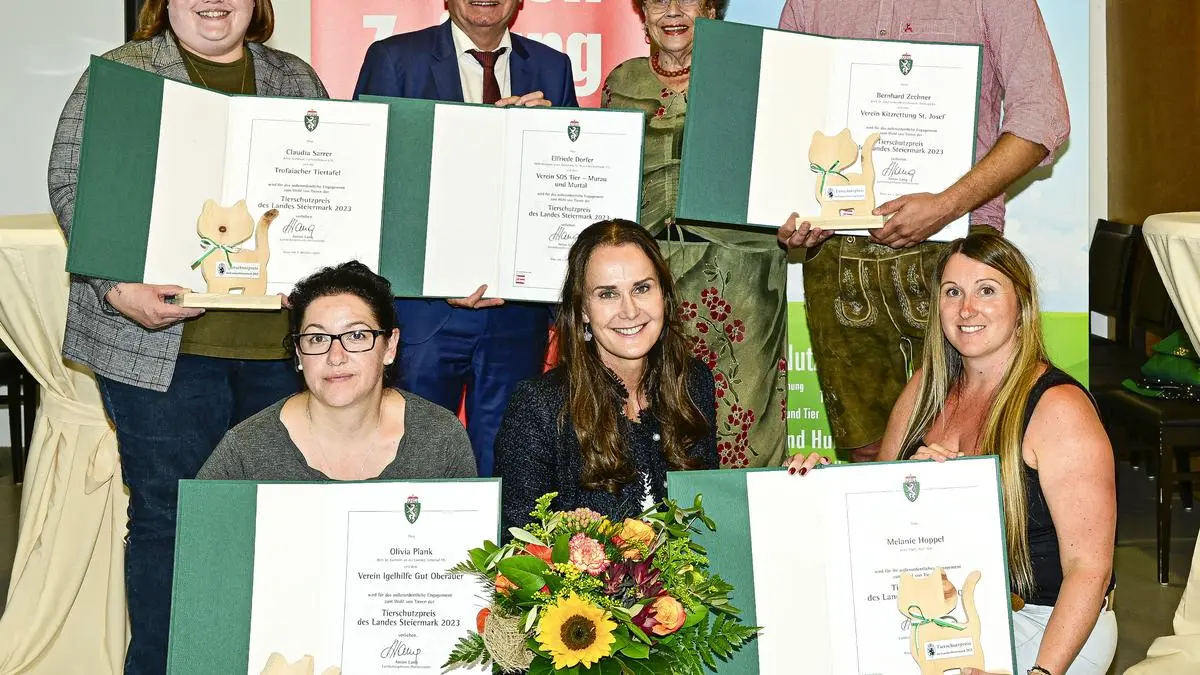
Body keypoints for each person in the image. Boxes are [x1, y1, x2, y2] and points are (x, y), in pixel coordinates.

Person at [46, 1, 326, 671]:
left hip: (276, 354)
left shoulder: (296, 80)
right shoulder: (122, 74)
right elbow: (72, 183)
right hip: (160, 353)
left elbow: (328, 193)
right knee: (169, 520)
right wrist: (117, 287)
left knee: (272, 524)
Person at [790, 233, 1117, 675]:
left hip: (1045, 623)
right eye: (952, 292)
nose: (967, 309)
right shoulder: (925, 388)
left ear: (1021, 305)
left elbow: (1089, 569)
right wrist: (822, 486)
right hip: (948, 612)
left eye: (987, 290)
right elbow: (878, 522)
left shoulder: (1059, 409)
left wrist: (1040, 674)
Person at [775, 0, 1070, 464]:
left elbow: (1043, 117)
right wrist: (792, 208)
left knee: (970, 445)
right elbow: (785, 116)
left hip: (957, 249)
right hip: (838, 254)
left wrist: (947, 204)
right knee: (868, 453)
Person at [352, 0, 579, 478]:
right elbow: (369, 178)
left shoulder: (552, 67)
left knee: (511, 465)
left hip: (516, 315)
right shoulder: (395, 60)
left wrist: (545, 136)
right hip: (424, 313)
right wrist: (433, 274)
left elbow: (566, 186)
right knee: (410, 458)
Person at [600, 0, 788, 470]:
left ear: (712, 8)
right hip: (650, 282)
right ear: (643, 13)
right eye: (658, 0)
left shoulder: (753, 75)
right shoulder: (622, 82)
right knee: (660, 417)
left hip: (741, 279)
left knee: (743, 422)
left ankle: (741, 517)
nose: (672, 11)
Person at [493, 220, 718, 534]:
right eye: (608, 294)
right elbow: (520, 541)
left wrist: (788, 482)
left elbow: (710, 518)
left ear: (663, 295)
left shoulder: (693, 382)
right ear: (583, 309)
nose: (629, 311)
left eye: (642, 288)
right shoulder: (538, 406)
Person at [198, 261, 476, 482]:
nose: (336, 357)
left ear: (390, 346)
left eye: (356, 335)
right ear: (299, 353)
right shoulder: (246, 451)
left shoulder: (440, 438)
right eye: (317, 338)